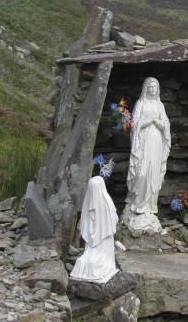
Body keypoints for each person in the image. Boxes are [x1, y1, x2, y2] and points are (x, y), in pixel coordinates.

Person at [122, 77, 171, 232]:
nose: (153, 89)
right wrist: (147, 122)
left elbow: (166, 124)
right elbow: (134, 123)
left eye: (155, 86)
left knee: (153, 173)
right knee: (141, 173)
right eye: (150, 86)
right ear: (145, 88)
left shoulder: (160, 105)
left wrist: (160, 124)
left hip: (156, 142)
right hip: (143, 142)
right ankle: (136, 203)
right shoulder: (140, 103)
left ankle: (149, 207)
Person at [70, 176, 119, 283]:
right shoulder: (87, 203)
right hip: (91, 248)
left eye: (95, 190)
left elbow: (113, 221)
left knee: (95, 264)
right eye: (91, 190)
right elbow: (84, 223)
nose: (93, 194)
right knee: (82, 261)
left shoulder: (107, 202)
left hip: (103, 248)